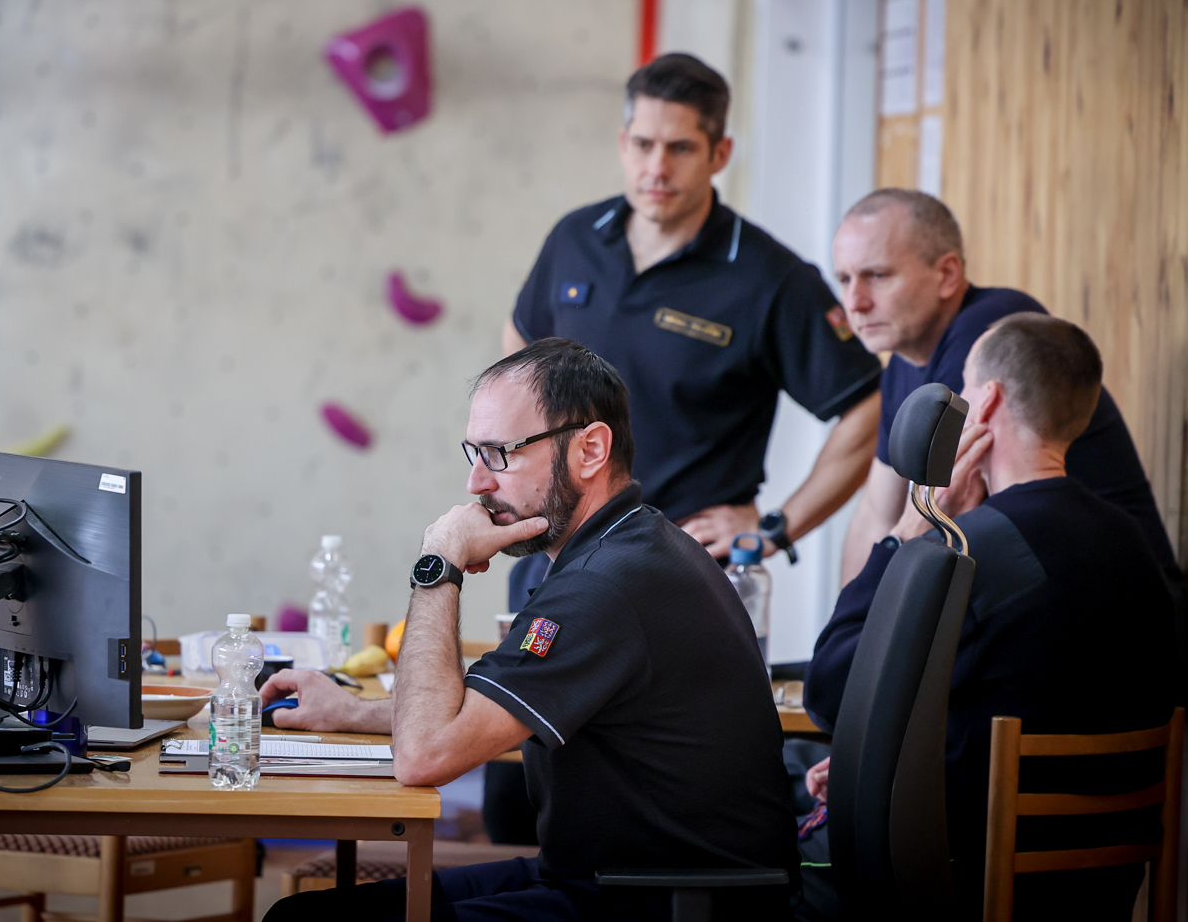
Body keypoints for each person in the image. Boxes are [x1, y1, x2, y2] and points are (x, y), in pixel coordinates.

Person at [261, 338, 797, 922]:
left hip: (662, 901)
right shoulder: (628, 548)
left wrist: (439, 564)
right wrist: (349, 712)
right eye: (474, 453)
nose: (476, 483)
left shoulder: (606, 585)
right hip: (617, 879)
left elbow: (423, 756)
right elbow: (478, 717)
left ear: (590, 449)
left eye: (500, 454)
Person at [799, 313, 1177, 921]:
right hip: (1101, 885)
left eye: (965, 392)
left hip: (955, 880)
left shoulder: (969, 552)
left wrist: (907, 533)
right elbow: (1028, 690)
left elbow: (829, 690)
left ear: (989, 401)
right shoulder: (1129, 541)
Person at [505, 53, 883, 565]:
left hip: (679, 571)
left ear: (720, 154)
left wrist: (775, 528)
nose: (657, 169)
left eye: (680, 148)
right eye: (644, 145)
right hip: (553, 553)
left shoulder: (769, 278)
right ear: (623, 143)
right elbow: (521, 342)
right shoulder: (575, 238)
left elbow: (868, 406)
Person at [831, 188, 1188, 699]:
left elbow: (955, 504)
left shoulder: (991, 336)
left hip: (1100, 625)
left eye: (878, 276)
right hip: (1038, 616)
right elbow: (877, 511)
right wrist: (852, 632)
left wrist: (852, 661)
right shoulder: (902, 369)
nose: (855, 302)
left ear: (947, 274)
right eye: (844, 280)